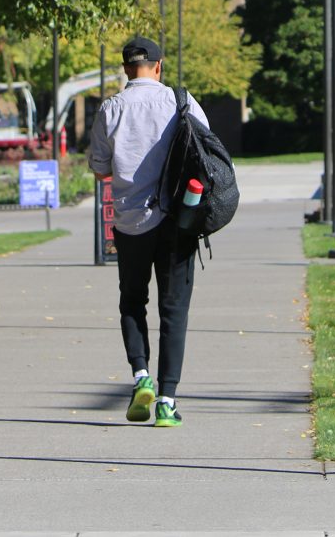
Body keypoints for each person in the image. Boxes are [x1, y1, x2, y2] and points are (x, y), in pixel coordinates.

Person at [88, 35, 208, 428]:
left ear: (126, 69)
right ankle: (168, 402)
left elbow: (100, 167)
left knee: (132, 301)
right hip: (179, 220)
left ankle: (142, 376)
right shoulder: (182, 102)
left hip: (130, 222)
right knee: (174, 310)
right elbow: (209, 152)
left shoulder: (110, 108)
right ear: (158, 66)